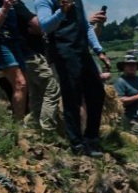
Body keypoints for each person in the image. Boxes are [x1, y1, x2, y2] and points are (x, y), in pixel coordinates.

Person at [34, 0, 107, 156]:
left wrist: (99, 50)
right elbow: (45, 26)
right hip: (64, 52)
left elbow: (85, 26)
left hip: (83, 51)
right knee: (73, 97)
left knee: (97, 93)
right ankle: (77, 144)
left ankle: (91, 138)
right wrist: (62, 11)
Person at [13, 0, 58, 134]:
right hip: (32, 55)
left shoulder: (10, 7)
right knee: (52, 89)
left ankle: (35, 126)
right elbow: (39, 25)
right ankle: (48, 129)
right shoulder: (17, 5)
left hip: (24, 55)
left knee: (36, 93)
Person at [112, 50, 138, 137]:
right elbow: (120, 101)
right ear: (124, 67)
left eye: (133, 65)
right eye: (129, 65)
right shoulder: (120, 82)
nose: (132, 67)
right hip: (129, 119)